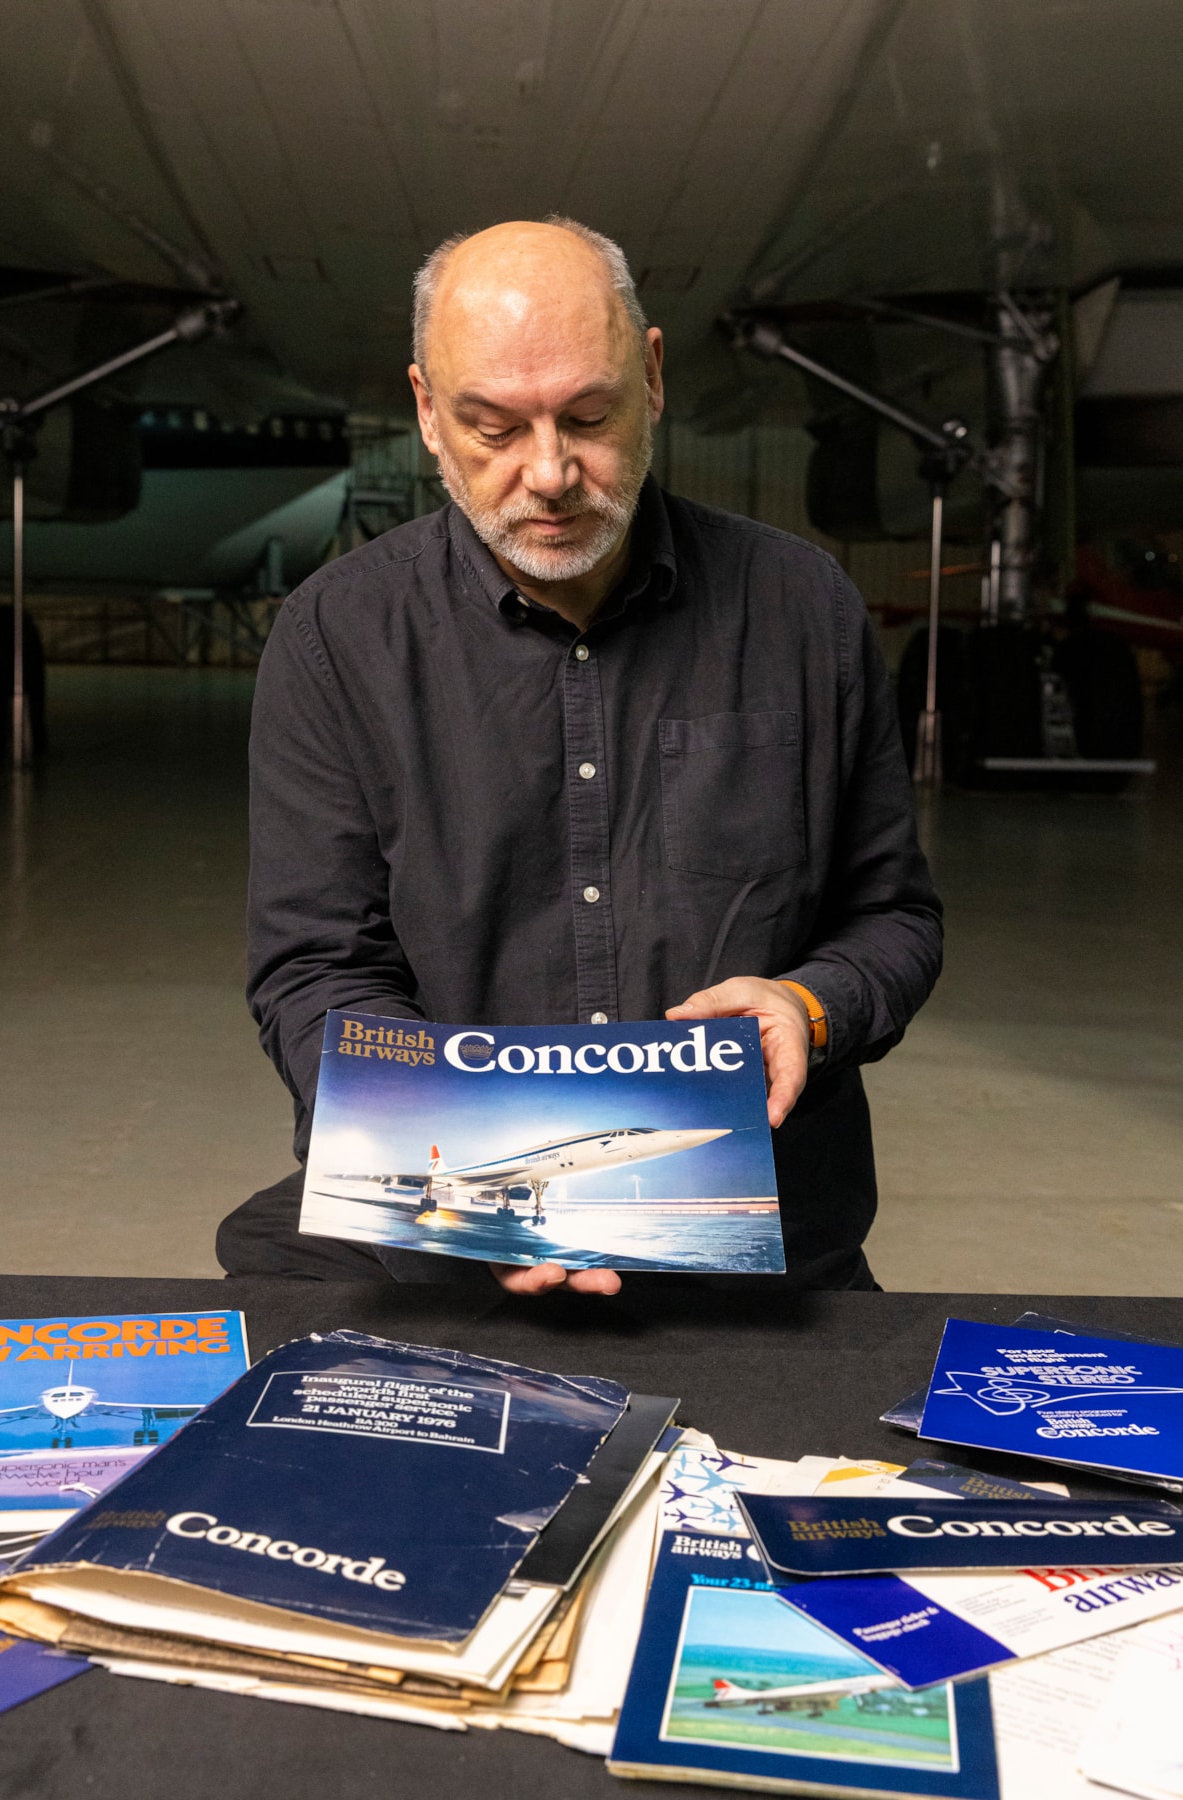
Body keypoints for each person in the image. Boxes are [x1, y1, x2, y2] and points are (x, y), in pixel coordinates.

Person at [218, 216, 942, 1296]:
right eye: (492, 428)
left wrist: (811, 1007)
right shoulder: (335, 640)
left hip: (768, 1261)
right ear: (425, 409)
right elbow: (315, 969)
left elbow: (893, 918)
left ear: (651, 377)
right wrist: (472, 1195)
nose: (549, 473)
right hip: (442, 1242)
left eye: (588, 417)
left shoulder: (805, 611)